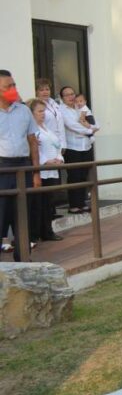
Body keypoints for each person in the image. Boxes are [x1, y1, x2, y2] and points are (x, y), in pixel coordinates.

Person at [0, 71, 40, 261]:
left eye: (14, 85)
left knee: (23, 215)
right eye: (8, 86)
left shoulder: (23, 110)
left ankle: (23, 258)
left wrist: (36, 173)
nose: (13, 90)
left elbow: (33, 141)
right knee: (1, 214)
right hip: (2, 167)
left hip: (23, 167)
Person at [27, 99, 63, 243]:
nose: (43, 114)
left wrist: (59, 158)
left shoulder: (47, 128)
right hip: (41, 171)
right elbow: (34, 150)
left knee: (48, 203)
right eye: (40, 111)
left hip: (52, 170)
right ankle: (34, 234)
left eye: (44, 110)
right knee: (37, 204)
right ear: (32, 113)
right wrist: (45, 161)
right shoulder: (32, 130)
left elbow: (57, 145)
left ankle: (47, 231)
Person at [59, 86, 97, 214]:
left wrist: (92, 127)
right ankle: (74, 205)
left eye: (72, 94)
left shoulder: (79, 107)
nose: (71, 97)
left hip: (85, 146)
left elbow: (91, 120)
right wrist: (90, 130)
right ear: (62, 98)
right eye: (67, 95)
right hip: (72, 147)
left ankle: (82, 203)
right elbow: (72, 125)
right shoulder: (61, 110)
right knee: (74, 176)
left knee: (83, 175)